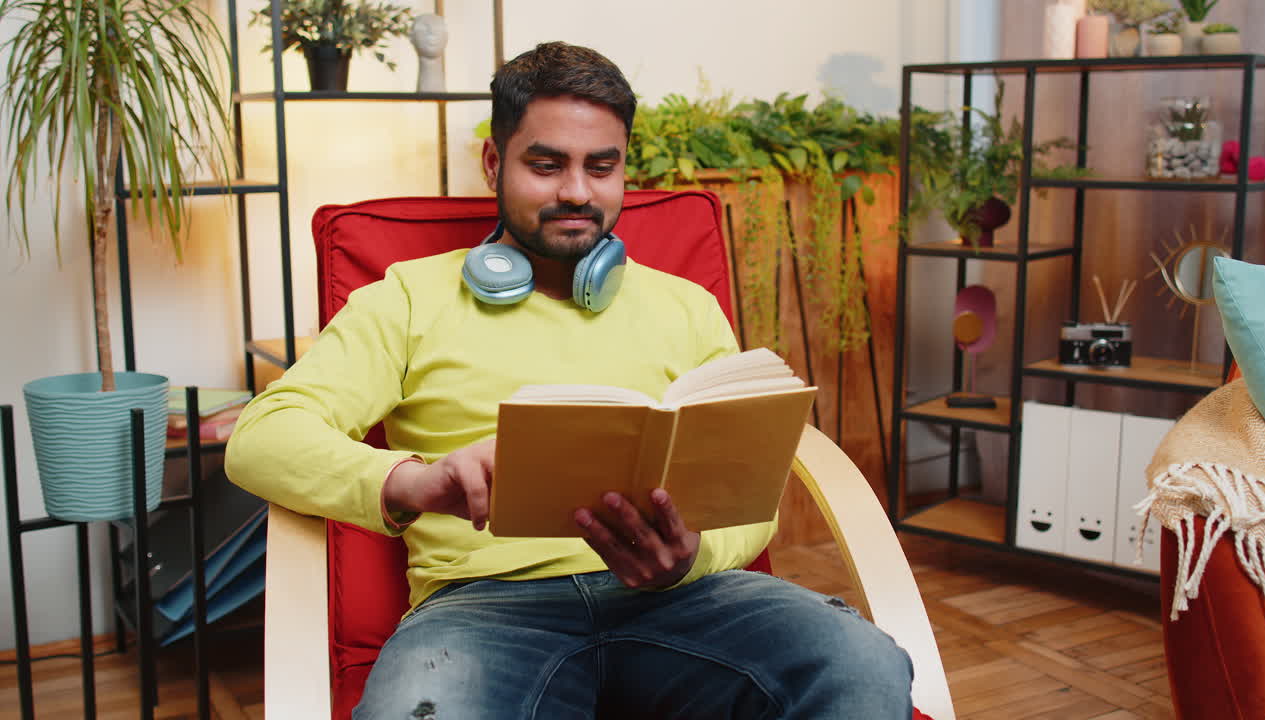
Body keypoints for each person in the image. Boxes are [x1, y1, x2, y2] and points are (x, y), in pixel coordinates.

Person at [226, 41, 914, 719]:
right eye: (547, 165)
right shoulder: (405, 299)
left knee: (861, 663)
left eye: (601, 166)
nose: (577, 192)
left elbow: (751, 493)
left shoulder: (686, 307)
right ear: (495, 162)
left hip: (685, 598)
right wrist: (415, 481)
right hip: (482, 609)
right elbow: (262, 437)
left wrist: (692, 554)